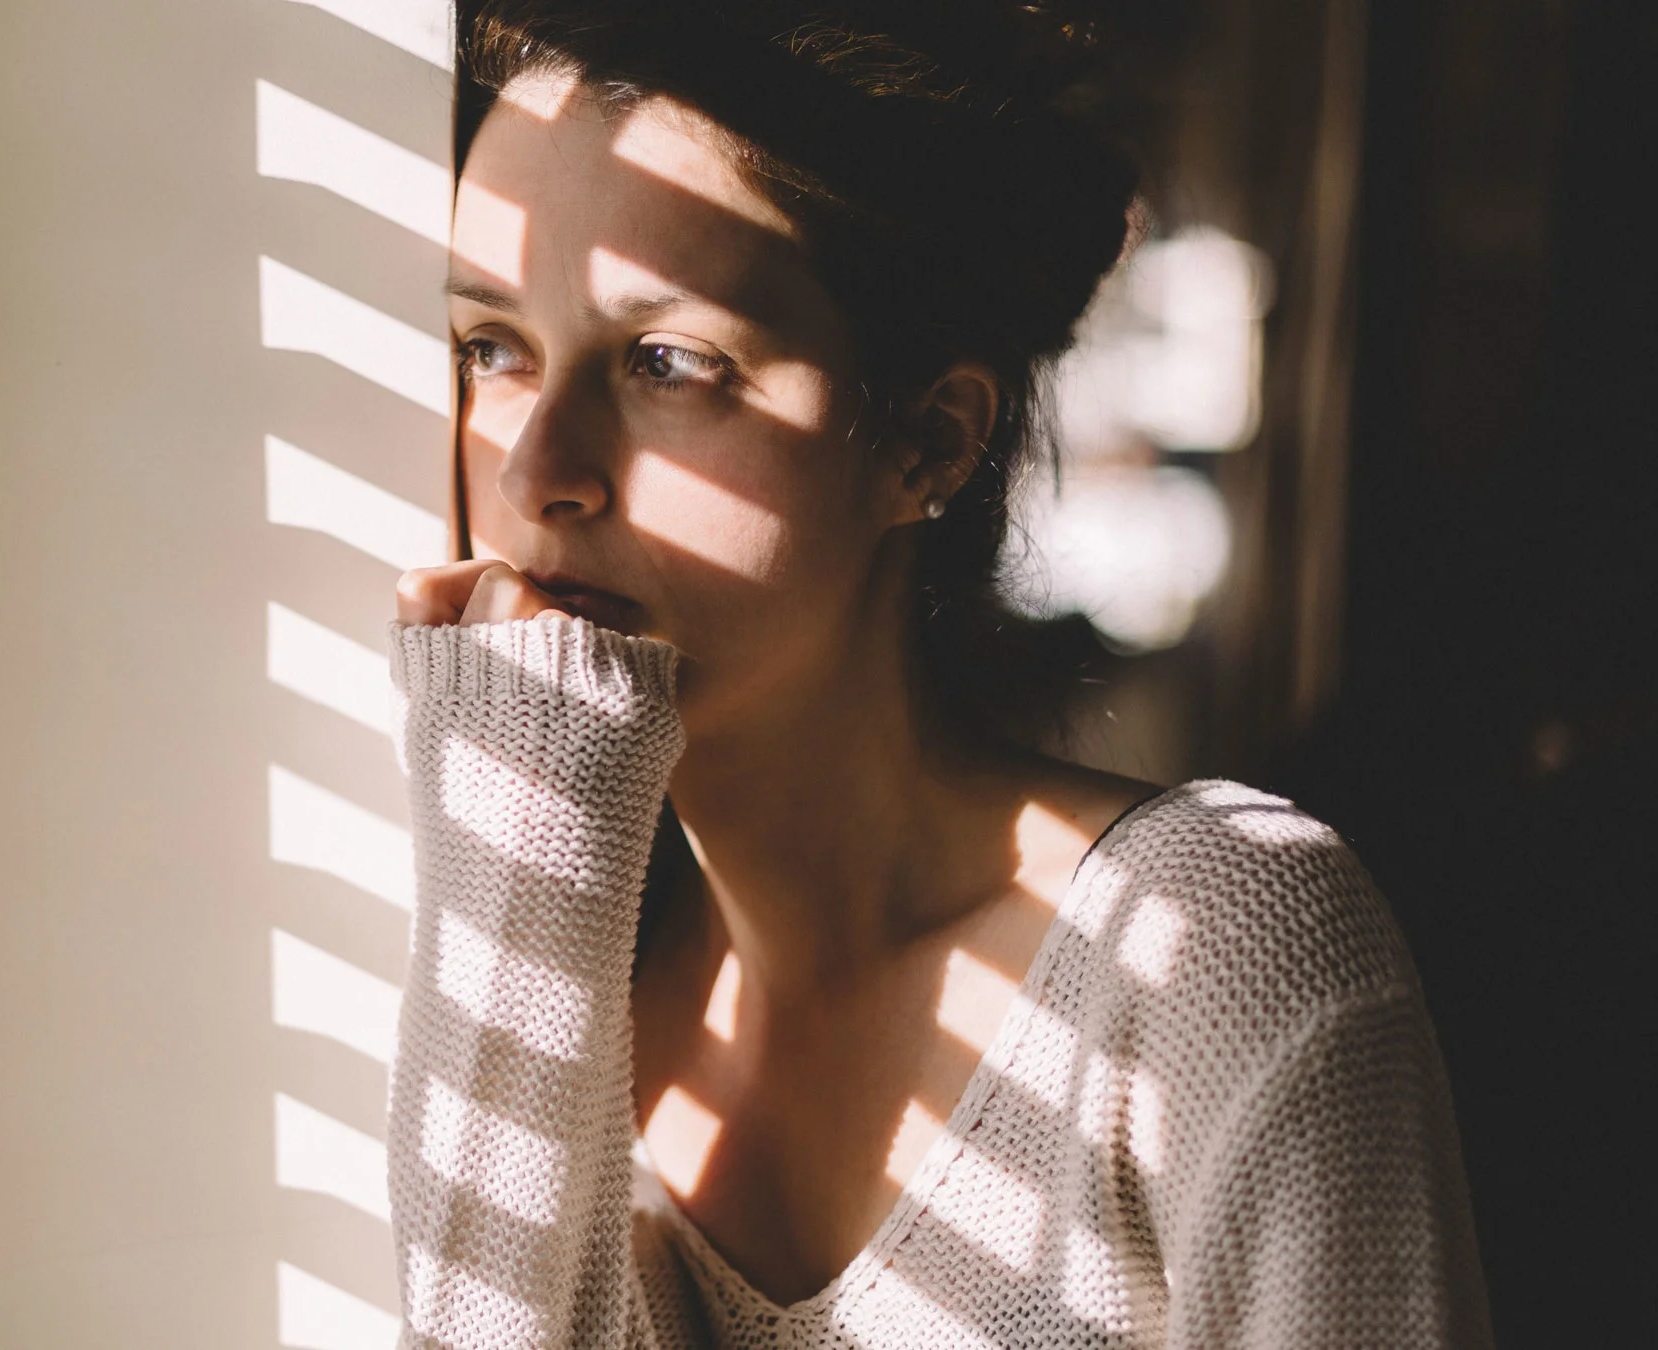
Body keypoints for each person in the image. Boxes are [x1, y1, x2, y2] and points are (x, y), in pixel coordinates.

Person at [382, 2, 1492, 1345]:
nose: (533, 471)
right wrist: (524, 861)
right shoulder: (540, 966)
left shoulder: (1210, 957)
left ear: (927, 440)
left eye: (669, 362)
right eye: (490, 348)